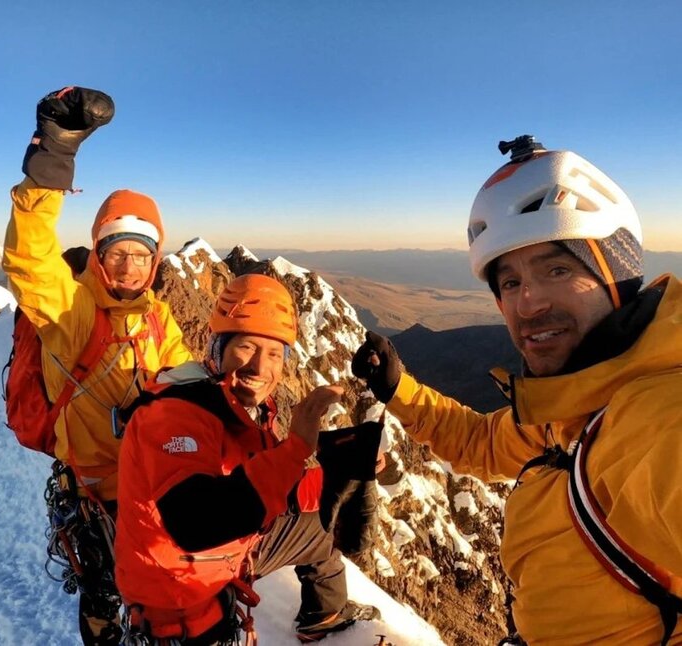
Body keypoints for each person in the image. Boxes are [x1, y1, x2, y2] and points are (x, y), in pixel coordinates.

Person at [352, 136, 682, 645]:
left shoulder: (654, 418)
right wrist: (399, 390)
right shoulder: (573, 407)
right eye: (509, 282)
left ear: (616, 275)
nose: (528, 304)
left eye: (557, 269)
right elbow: (484, 443)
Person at [2, 87, 193, 645]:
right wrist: (52, 162)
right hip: (95, 494)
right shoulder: (73, 312)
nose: (130, 266)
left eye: (141, 254)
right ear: (99, 255)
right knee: (105, 600)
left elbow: (191, 384)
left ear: (155, 261)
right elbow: (31, 260)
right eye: (117, 252)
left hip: (150, 487)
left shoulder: (160, 319)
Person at [115, 273, 380, 644]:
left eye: (274, 353)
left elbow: (265, 485)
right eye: (246, 347)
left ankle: (325, 616)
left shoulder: (238, 407)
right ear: (217, 346)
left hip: (215, 565)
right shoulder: (175, 413)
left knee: (321, 531)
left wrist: (337, 476)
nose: (259, 367)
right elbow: (194, 522)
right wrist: (295, 448)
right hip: (177, 592)